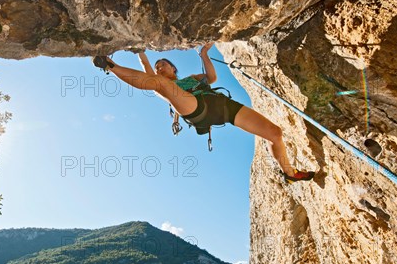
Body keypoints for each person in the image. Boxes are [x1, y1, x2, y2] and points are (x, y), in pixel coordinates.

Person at [92, 42, 315, 183]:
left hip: (223, 108)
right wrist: (140, 50)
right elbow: (149, 74)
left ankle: (289, 172)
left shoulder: (192, 79)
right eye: (157, 66)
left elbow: (212, 77)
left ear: (173, 68)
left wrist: (204, 54)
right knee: (159, 84)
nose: (159, 68)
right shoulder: (162, 86)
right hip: (195, 109)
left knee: (274, 133)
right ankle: (109, 65)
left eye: (162, 65)